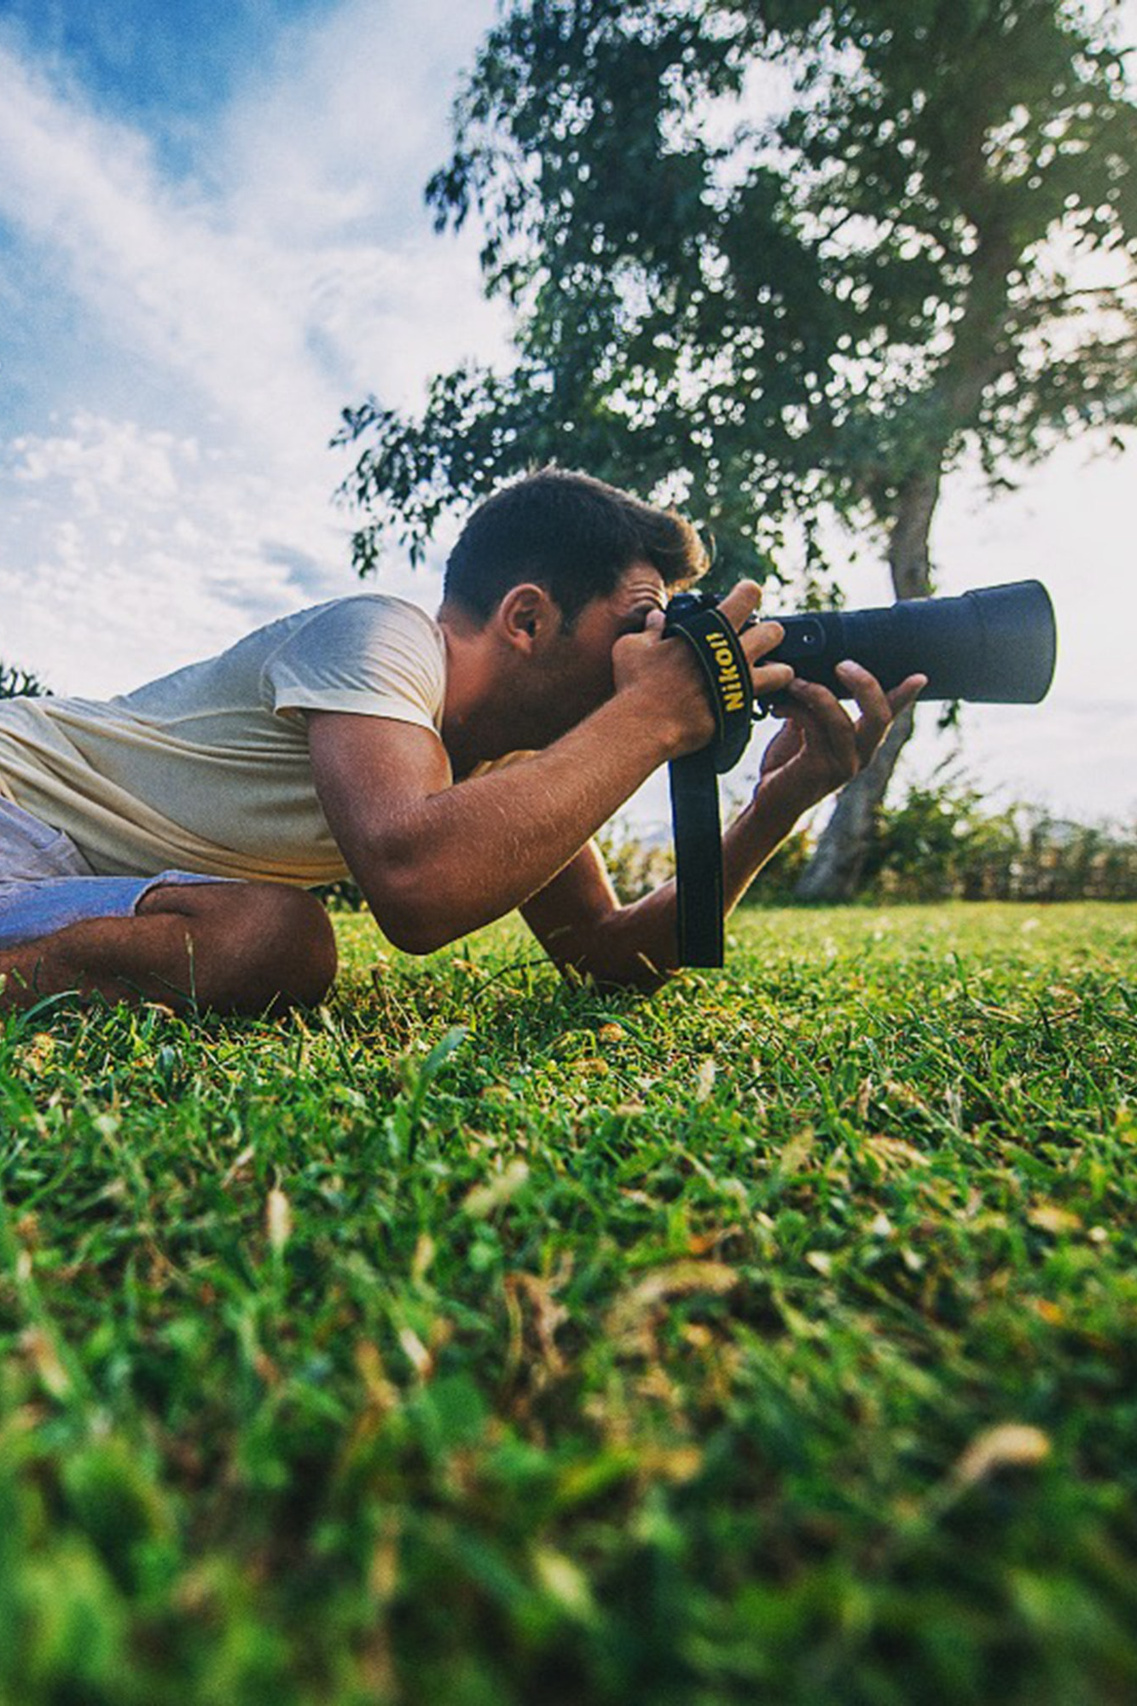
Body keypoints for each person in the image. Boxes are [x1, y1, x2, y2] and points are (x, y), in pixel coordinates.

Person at [0, 469, 923, 1016]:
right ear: (526, 617)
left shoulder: (510, 766)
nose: (654, 658)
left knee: (268, 941)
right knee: (281, 940)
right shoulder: (381, 636)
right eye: (639, 627)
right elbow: (415, 886)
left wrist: (773, 809)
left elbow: (601, 952)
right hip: (12, 799)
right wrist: (653, 716)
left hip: (57, 880)